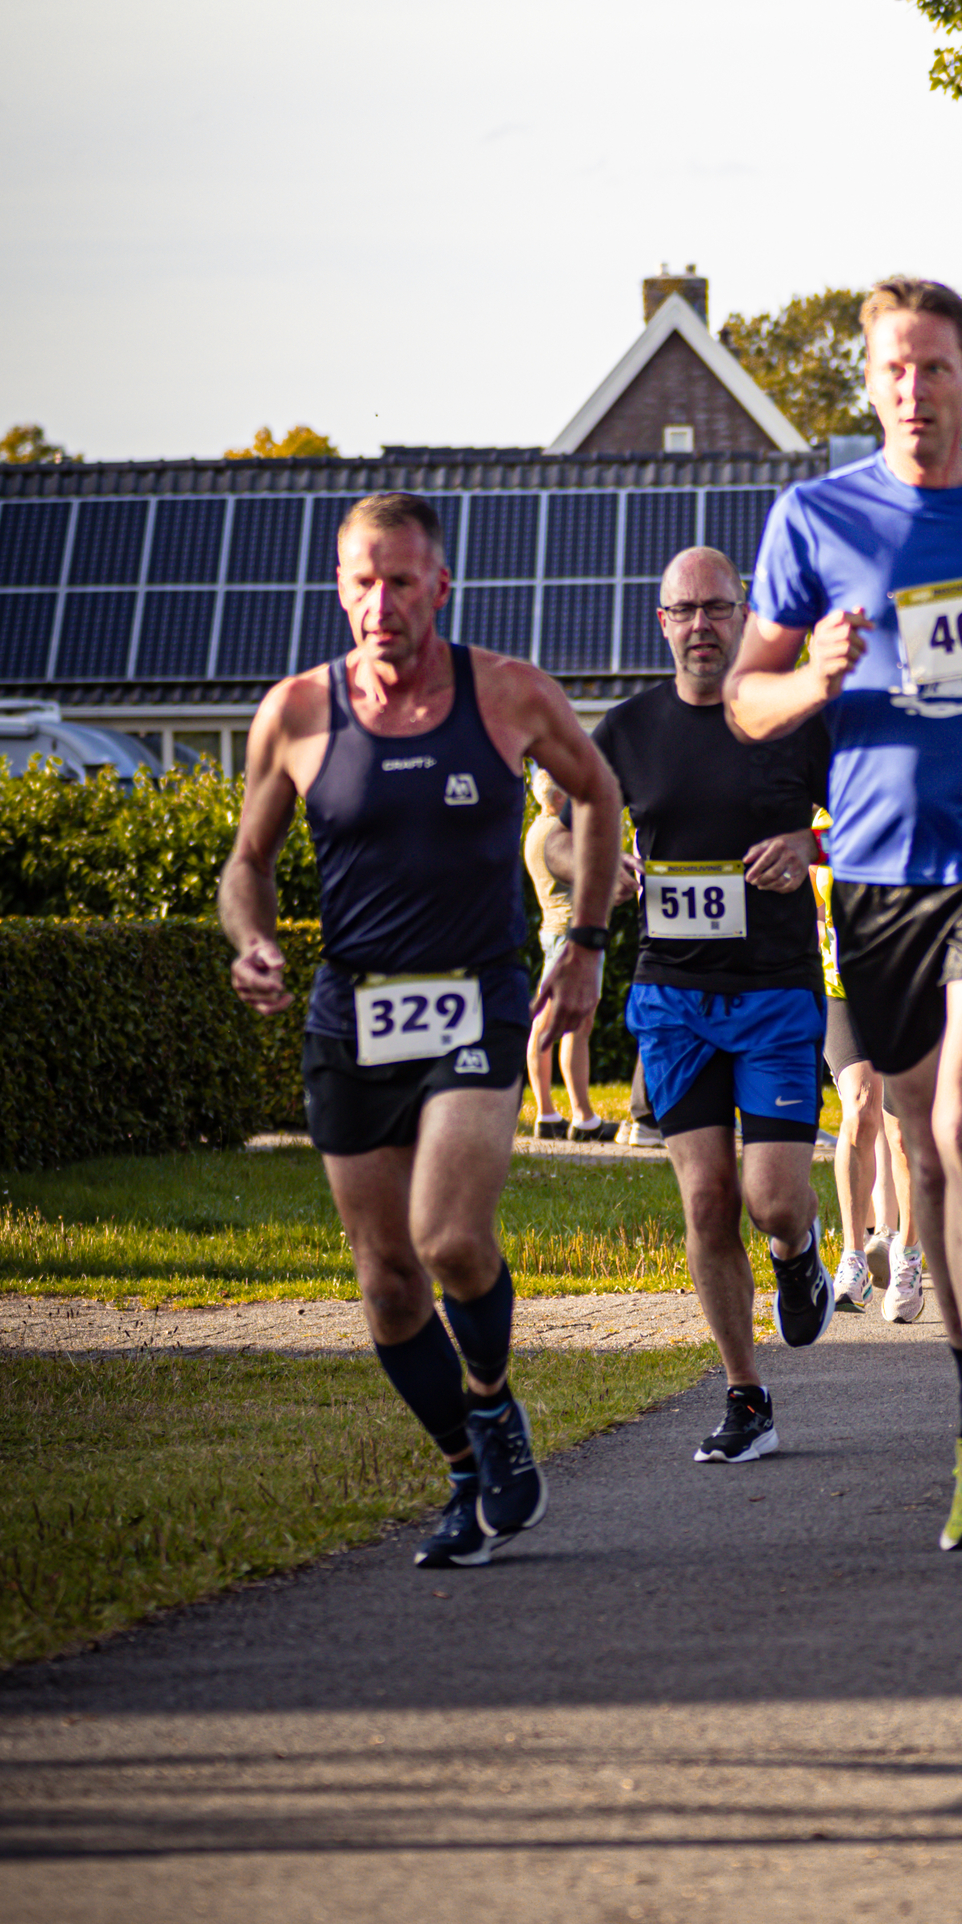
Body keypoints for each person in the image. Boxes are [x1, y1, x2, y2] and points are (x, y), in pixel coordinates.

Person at [727, 275, 962, 1552]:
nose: (914, 389)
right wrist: (810, 678)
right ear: (870, 380)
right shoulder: (813, 517)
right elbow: (745, 701)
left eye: (935, 368)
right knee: (922, 1149)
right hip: (878, 871)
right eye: (893, 368)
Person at [220, 490, 623, 1569]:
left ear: (440, 585)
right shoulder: (298, 713)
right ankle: (463, 1467)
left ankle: (489, 1403)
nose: (382, 602)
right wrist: (251, 939)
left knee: (449, 1238)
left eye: (402, 581)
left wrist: (583, 940)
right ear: (340, 588)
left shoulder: (506, 694)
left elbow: (596, 794)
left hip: (475, 996)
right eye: (363, 581)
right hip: (350, 1013)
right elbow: (246, 865)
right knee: (386, 1279)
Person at [567, 547, 835, 1468]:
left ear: (745, 614)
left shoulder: (794, 713)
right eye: (683, 611)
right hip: (672, 994)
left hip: (774, 988)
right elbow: (557, 831)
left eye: (717, 609)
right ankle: (745, 1393)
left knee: (768, 1198)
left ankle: (799, 1253)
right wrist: (602, 866)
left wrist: (809, 841)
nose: (701, 626)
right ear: (661, 622)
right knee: (706, 1199)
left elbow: (868, 815)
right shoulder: (628, 730)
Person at [815, 807, 924, 1322]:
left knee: (904, 1133)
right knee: (860, 1107)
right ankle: (853, 1256)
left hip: (907, 991)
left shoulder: (907, 802)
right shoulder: (813, 820)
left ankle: (907, 1254)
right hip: (841, 990)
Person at [523, 764, 608, 1141]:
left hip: (554, 930)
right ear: (559, 798)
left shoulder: (535, 832)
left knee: (548, 1022)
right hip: (570, 935)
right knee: (574, 1023)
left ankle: (549, 1113)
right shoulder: (557, 837)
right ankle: (583, 1116)